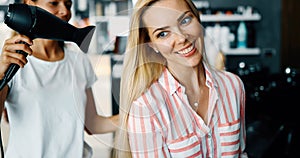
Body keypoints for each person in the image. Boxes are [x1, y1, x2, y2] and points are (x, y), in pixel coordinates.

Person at [113, 0, 247, 157]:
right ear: (151, 44)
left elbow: (241, 153)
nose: (182, 38)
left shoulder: (233, 85)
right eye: (163, 34)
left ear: (198, 19)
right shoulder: (146, 108)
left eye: (185, 20)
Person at [0, 0, 118, 157]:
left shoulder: (79, 61)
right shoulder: (11, 62)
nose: (65, 11)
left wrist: (141, 116)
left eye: (68, 5)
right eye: (54, 3)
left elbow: (92, 123)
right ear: (30, 5)